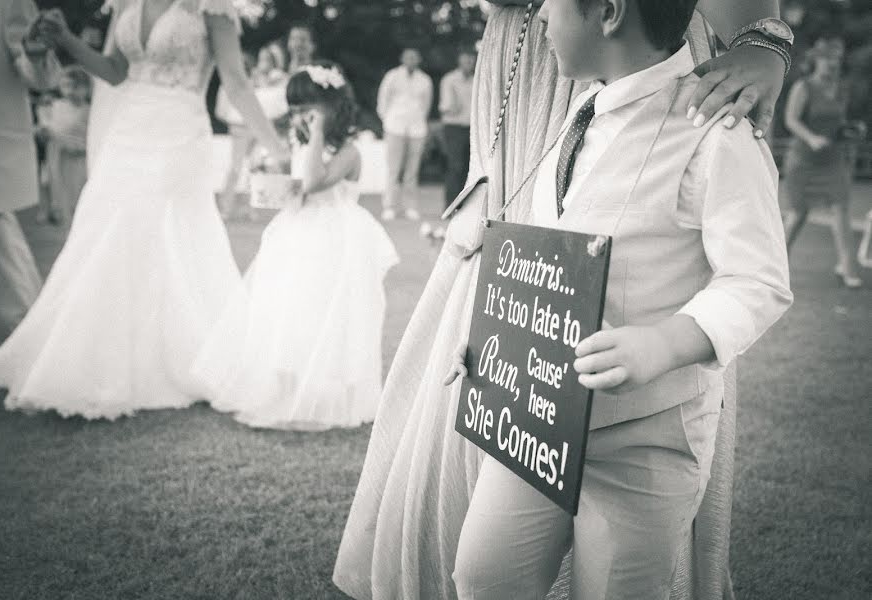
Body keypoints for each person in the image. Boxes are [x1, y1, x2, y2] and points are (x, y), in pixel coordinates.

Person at [333, 1, 794, 599]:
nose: (541, 15)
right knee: (482, 575)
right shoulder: (578, 113)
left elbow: (758, 281)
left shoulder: (716, 135)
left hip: (643, 441)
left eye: (551, 0)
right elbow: (546, 257)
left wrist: (664, 342)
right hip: (539, 421)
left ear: (608, 13)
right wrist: (496, 341)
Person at [0, 0, 281, 420]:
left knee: (170, 238)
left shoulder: (212, 7)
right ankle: (99, 359)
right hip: (128, 130)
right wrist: (65, 39)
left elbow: (235, 80)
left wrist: (276, 148)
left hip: (179, 129)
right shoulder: (125, 2)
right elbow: (114, 71)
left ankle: (184, 356)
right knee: (106, 234)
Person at [191, 63, 399, 430]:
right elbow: (295, 189)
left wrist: (317, 133)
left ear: (333, 107)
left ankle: (334, 392)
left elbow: (315, 181)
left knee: (331, 312)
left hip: (336, 237)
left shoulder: (350, 151)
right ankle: (286, 388)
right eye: (297, 110)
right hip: (295, 234)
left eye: (310, 109)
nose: (302, 117)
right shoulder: (300, 143)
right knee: (288, 307)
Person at [0, 0, 58, 330]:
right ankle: (39, 337)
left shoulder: (10, 2)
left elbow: (39, 75)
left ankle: (38, 336)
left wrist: (34, 55)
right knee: (10, 257)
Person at [783, 36, 865, 289]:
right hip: (803, 160)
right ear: (816, 60)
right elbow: (791, 120)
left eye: (836, 60)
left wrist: (852, 129)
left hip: (833, 160)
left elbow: (837, 124)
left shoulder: (841, 89)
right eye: (827, 59)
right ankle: (774, 267)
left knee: (841, 212)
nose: (832, 65)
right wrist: (811, 138)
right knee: (798, 214)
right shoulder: (803, 87)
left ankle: (847, 268)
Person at [216, 45, 290, 220]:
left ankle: (248, 207)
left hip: (255, 127)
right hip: (240, 127)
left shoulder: (269, 79)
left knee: (254, 168)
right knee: (235, 167)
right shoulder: (246, 80)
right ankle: (225, 208)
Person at [377, 47, 434, 222]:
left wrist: (418, 121)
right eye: (408, 57)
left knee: (412, 170)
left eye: (414, 57)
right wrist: (387, 120)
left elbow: (426, 105)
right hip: (394, 126)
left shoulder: (425, 80)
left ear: (419, 60)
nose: (411, 60)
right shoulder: (392, 76)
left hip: (416, 128)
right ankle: (389, 206)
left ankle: (410, 207)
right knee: (393, 169)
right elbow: (382, 100)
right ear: (402, 58)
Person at [36, 66, 91, 226]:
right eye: (65, 86)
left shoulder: (88, 111)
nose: (69, 91)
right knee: (54, 188)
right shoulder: (56, 106)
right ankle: (53, 211)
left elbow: (87, 138)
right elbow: (47, 126)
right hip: (56, 156)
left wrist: (75, 145)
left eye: (75, 86)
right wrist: (44, 132)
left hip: (77, 160)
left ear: (85, 88)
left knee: (77, 199)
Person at [440, 46, 477, 209]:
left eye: (471, 59)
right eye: (465, 59)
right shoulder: (450, 80)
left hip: (472, 127)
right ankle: (450, 205)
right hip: (454, 127)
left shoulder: (477, 79)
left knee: (469, 167)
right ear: (459, 61)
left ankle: (464, 205)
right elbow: (447, 107)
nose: (468, 63)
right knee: (455, 166)